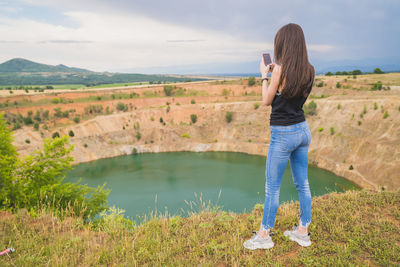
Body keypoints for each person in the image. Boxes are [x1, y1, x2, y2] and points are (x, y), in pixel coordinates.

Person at [243, 23, 315, 250]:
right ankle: (303, 230)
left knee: (272, 188)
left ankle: (264, 235)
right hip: (303, 130)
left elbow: (267, 100)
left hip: (282, 135)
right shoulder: (309, 70)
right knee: (302, 183)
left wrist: (265, 76)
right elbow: (292, 94)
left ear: (282, 44)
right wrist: (276, 72)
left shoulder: (280, 71)